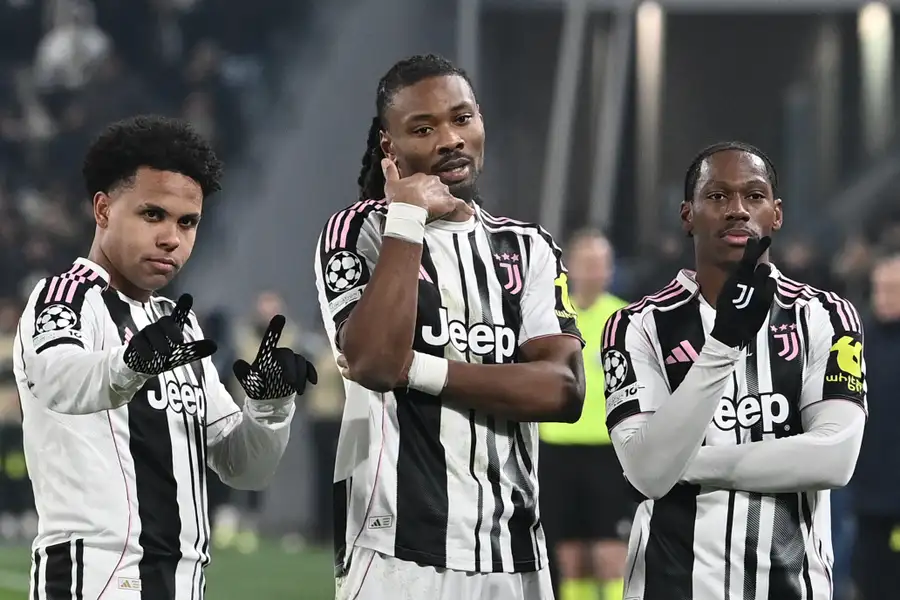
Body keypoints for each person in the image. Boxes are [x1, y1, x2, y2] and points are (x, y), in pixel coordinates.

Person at [314, 54, 586, 600]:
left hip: (515, 555)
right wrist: (407, 218)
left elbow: (562, 390)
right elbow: (371, 361)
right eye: (423, 128)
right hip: (396, 554)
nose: (450, 139)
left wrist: (418, 368)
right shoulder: (358, 232)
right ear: (390, 147)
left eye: (462, 119)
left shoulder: (526, 248)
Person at [13, 115, 317, 600]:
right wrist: (130, 363)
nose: (172, 237)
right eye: (152, 215)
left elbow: (243, 466)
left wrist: (270, 406)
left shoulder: (177, 323)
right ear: (103, 210)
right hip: (96, 578)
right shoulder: (64, 298)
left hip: (182, 583)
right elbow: (58, 380)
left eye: (187, 222)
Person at [601, 141, 867, 600]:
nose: (738, 210)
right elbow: (647, 474)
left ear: (776, 214)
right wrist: (723, 344)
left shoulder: (827, 316)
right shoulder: (634, 326)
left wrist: (686, 463)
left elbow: (835, 460)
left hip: (792, 588)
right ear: (687, 214)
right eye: (717, 196)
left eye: (754, 196)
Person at [539, 229, 630, 600]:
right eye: (587, 263)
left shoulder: (624, 318)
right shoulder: (548, 316)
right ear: (570, 267)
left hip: (608, 453)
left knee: (611, 555)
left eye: (601, 263)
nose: (595, 271)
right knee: (569, 557)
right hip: (557, 450)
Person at [850, 252, 900, 600]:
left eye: (892, 289)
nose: (883, 297)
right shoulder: (857, 341)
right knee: (871, 574)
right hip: (868, 487)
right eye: (878, 289)